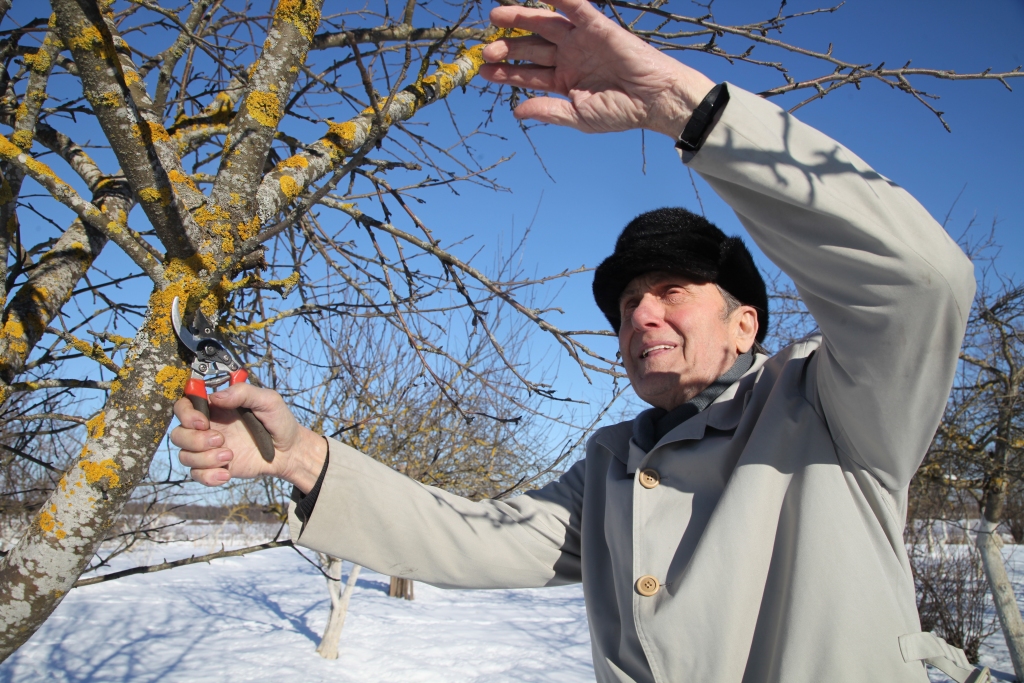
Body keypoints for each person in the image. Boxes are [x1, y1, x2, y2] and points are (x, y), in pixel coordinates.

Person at [171, 0, 981, 680]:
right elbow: (480, 537)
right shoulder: (612, 465)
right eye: (628, 301)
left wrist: (682, 107)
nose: (641, 316)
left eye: (670, 291)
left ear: (747, 323)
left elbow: (920, 281)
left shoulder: (833, 405)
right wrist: (301, 458)